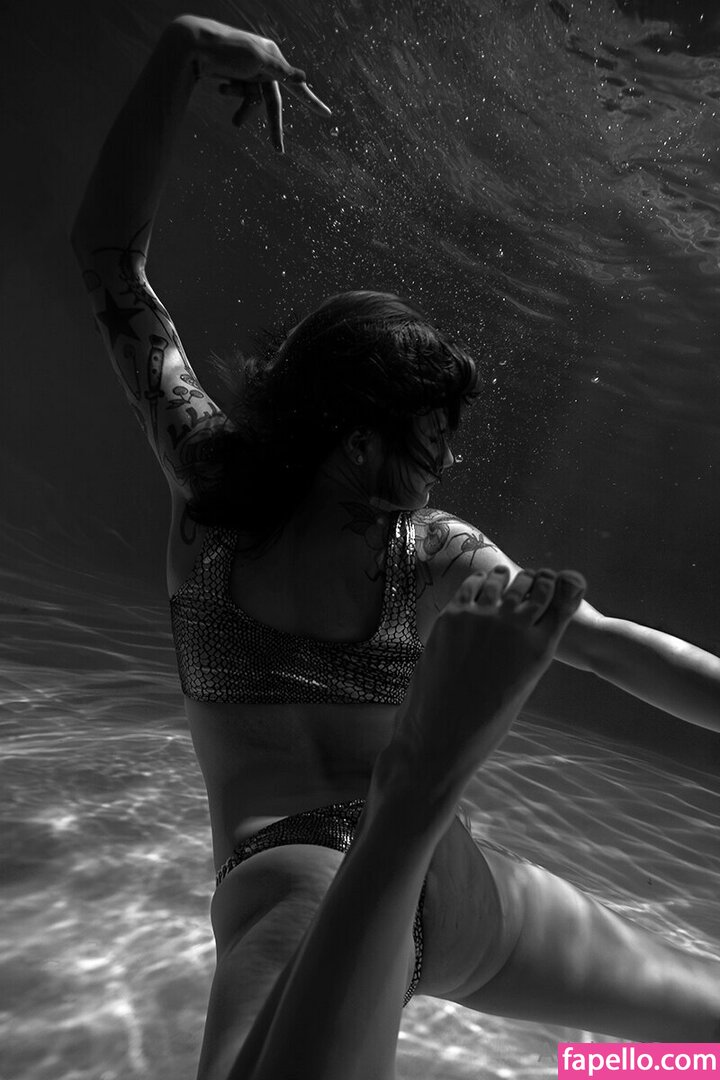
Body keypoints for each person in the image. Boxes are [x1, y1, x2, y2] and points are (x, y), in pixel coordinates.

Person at [70, 14, 720, 1080]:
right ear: (358, 440)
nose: (444, 467)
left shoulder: (210, 477)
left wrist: (182, 53)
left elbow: (109, 261)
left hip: (295, 888)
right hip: (438, 894)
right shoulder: (429, 553)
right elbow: (610, 648)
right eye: (428, 444)